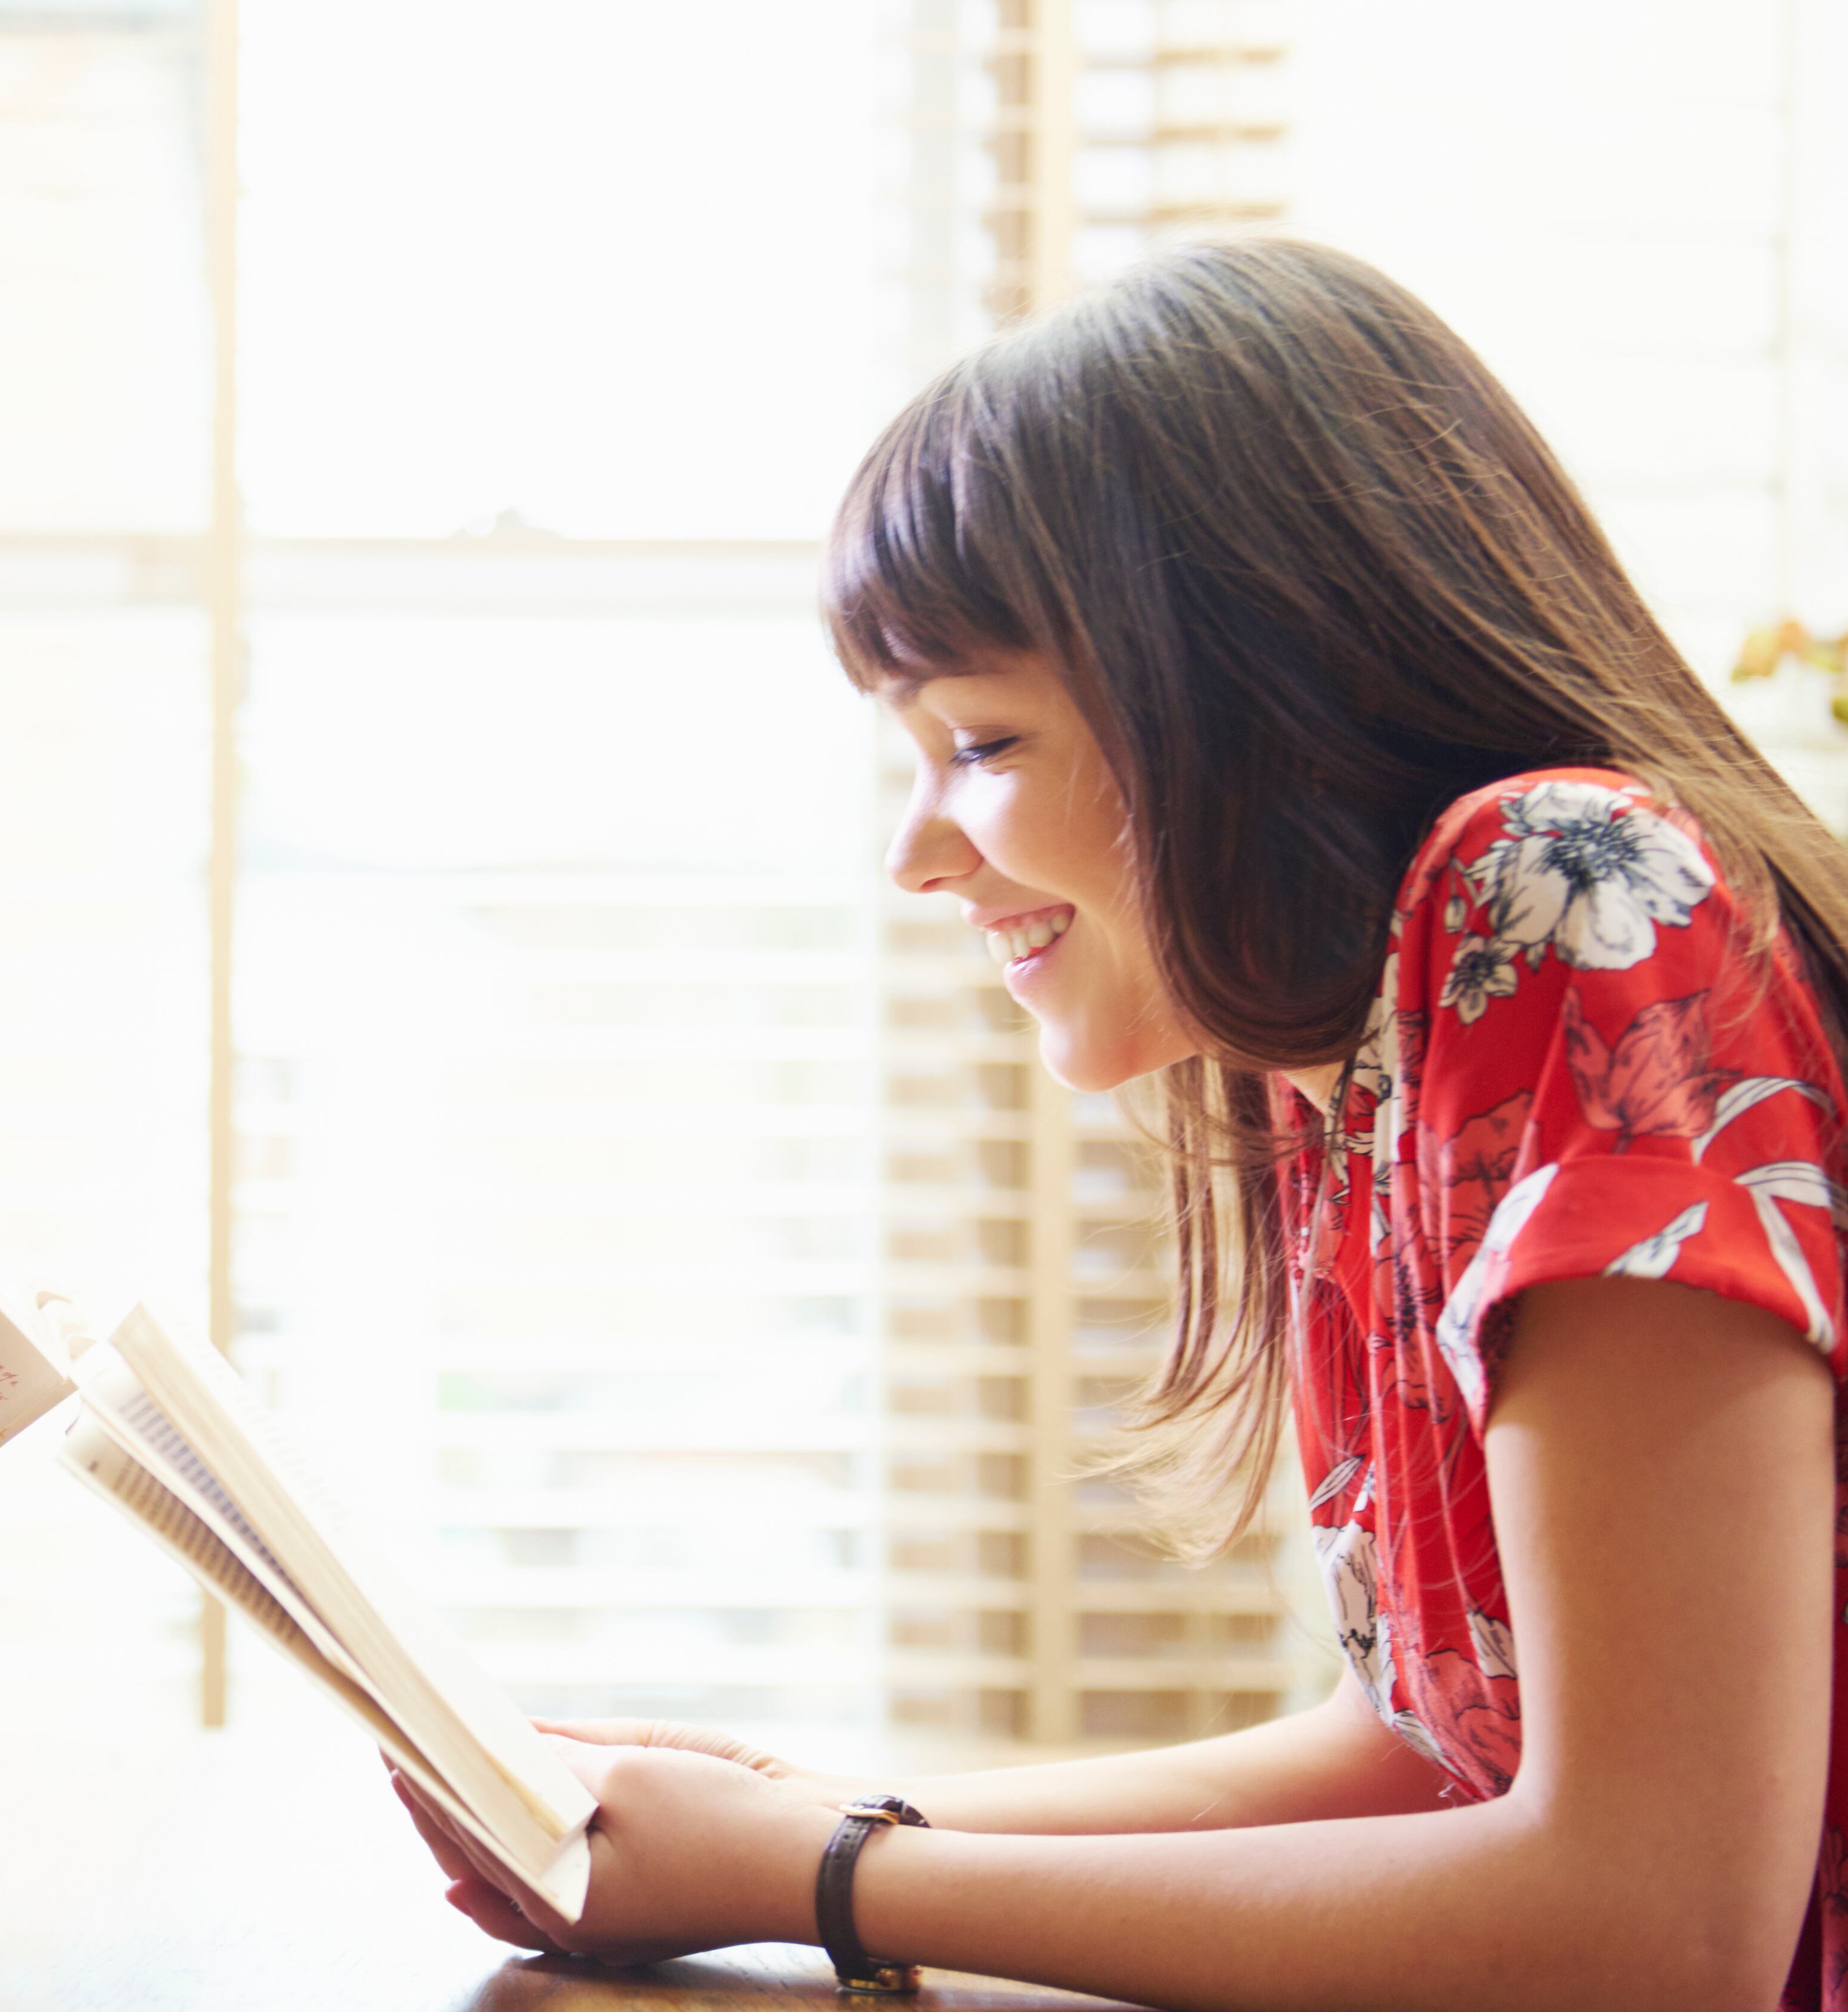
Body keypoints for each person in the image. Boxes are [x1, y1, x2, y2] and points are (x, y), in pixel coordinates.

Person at [396, 237, 1848, 2011]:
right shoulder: (1351, 1063)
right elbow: (1424, 1750)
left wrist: (829, 1874)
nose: (918, 852)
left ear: (1250, 700)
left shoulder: (1551, 894)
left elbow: (1654, 1931)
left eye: (982, 742)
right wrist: (818, 1823)